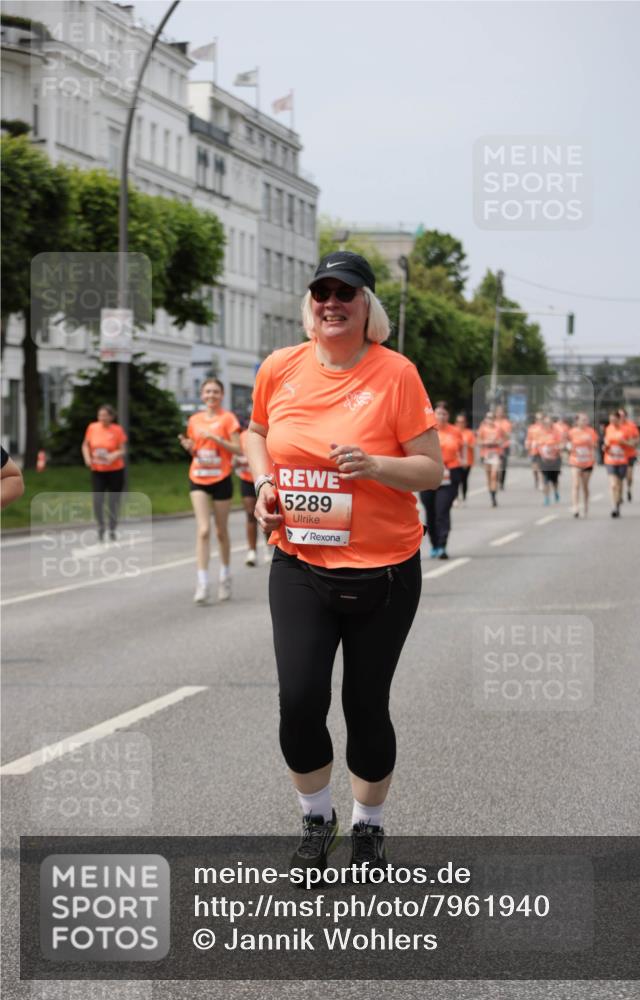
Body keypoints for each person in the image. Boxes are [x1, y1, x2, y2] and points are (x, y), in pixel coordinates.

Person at [245, 251, 442, 874]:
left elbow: (432, 468)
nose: (332, 302)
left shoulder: (397, 374)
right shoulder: (281, 366)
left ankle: (369, 824)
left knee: (365, 703)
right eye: (322, 292)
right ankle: (315, 815)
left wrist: (376, 465)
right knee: (299, 700)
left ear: (366, 306)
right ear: (311, 303)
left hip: (384, 568)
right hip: (300, 561)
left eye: (345, 293)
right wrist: (262, 486)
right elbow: (254, 432)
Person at [179, 378, 241, 603]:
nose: (211, 395)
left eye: (215, 392)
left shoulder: (228, 419)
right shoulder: (194, 420)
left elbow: (238, 448)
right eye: (207, 392)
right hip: (198, 477)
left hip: (221, 478)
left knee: (220, 531)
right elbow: (195, 449)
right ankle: (202, 582)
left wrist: (217, 438)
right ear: (202, 394)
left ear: (221, 395)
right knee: (203, 530)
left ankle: (225, 575)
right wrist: (189, 447)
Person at [420, 401, 462, 558]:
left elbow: (460, 449)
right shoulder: (426, 430)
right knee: (430, 511)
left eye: (444, 414)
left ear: (448, 416)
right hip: (428, 474)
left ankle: (443, 544)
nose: (441, 416)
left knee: (442, 510)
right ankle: (434, 544)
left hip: (449, 474)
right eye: (438, 413)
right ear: (433, 414)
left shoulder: (455, 431)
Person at [81, 404, 127, 542]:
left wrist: (114, 455)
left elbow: (123, 449)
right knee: (98, 500)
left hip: (115, 471)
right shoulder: (92, 427)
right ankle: (101, 526)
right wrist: (87, 459)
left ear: (111, 417)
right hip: (98, 470)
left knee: (113, 501)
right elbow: (85, 445)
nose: (102, 418)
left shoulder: (117, 430)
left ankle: (112, 528)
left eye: (105, 415)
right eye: (100, 415)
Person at [233, 424, 269, 566]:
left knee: (264, 515)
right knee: (250, 514)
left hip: (264, 478)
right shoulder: (242, 436)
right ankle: (252, 551)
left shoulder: (267, 432)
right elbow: (235, 456)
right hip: (247, 479)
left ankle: (268, 547)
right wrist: (237, 463)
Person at [567, 412, 598, 517]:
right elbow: (566, 443)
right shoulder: (572, 432)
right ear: (577, 421)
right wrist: (568, 447)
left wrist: (594, 459)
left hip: (587, 462)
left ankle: (585, 505)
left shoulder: (591, 432)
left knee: (585, 486)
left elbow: (594, 447)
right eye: (582, 419)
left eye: (586, 419)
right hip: (575, 461)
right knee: (575, 484)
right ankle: (575, 507)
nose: (585, 421)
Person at [603, 410, 633, 518]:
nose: (612, 422)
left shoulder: (626, 429)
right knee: (613, 485)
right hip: (610, 460)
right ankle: (614, 507)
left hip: (622, 460)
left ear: (618, 419)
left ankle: (618, 503)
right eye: (610, 420)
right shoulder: (608, 429)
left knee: (619, 485)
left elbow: (632, 444)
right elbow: (605, 443)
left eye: (614, 420)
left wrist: (624, 442)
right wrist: (605, 447)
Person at [536, 415, 562, 505]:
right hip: (544, 459)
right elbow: (538, 445)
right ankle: (546, 497)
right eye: (545, 422)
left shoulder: (556, 432)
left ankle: (556, 492)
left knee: (554, 480)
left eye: (549, 422)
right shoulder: (540, 433)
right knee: (545, 479)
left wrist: (555, 448)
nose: (547, 424)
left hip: (555, 459)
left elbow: (561, 444)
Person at [477, 411, 502, 506]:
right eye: (488, 417)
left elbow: (503, 439)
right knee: (488, 477)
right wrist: (486, 442)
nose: (490, 419)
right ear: (486, 419)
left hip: (495, 454)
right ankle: (491, 495)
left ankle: (494, 497)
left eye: (492, 417)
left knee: (494, 476)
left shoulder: (498, 428)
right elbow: (478, 442)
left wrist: (498, 442)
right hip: (486, 454)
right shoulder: (482, 429)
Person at [618, 408, 640, 501]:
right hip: (618, 456)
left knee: (629, 476)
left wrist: (633, 442)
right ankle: (620, 495)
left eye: (623, 415)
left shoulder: (631, 426)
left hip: (630, 454)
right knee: (620, 477)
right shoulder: (614, 426)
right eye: (619, 415)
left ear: (626, 416)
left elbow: (637, 439)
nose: (621, 417)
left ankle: (629, 489)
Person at [455, 413, 475, 503]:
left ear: (465, 423)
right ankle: (455, 497)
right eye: (458, 422)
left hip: (467, 460)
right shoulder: (453, 432)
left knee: (464, 479)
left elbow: (473, 445)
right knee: (456, 480)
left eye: (462, 422)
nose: (460, 424)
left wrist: (467, 444)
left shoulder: (469, 433)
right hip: (456, 461)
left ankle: (464, 497)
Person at [494, 404, 512, 490]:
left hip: (504, 446)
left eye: (501, 412)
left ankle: (502, 482)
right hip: (494, 447)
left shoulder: (506, 423)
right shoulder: (492, 422)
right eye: (498, 412)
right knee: (496, 465)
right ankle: (496, 480)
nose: (499, 413)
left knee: (503, 465)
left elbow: (508, 436)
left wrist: (502, 431)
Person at [524, 411, 543, 490]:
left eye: (541, 418)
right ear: (535, 419)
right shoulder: (532, 428)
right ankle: (536, 480)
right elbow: (528, 438)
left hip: (542, 451)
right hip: (534, 450)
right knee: (535, 469)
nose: (539, 420)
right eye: (538, 418)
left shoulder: (545, 428)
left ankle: (542, 483)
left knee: (541, 468)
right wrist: (527, 445)